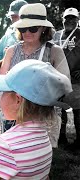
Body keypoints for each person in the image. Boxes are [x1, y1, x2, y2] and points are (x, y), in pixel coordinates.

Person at [0, 3, 71, 147]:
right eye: (23, 28)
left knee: (36, 161)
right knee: (10, 158)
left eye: (33, 28)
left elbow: (65, 85)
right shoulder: (11, 51)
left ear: (43, 28)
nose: (27, 32)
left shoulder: (54, 51)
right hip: (14, 114)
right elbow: (3, 83)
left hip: (42, 118)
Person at [0, 0, 27, 135]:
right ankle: (0, 144)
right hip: (4, 85)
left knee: (19, 125)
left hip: (23, 88)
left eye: (17, 16)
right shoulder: (7, 37)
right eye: (12, 16)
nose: (14, 19)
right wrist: (6, 57)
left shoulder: (35, 37)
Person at [53, 7, 80, 148]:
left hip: (75, 80)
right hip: (58, 78)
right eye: (67, 18)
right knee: (60, 108)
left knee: (77, 110)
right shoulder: (56, 35)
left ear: (77, 20)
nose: (69, 21)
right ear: (62, 20)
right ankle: (61, 138)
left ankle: (77, 142)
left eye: (72, 18)